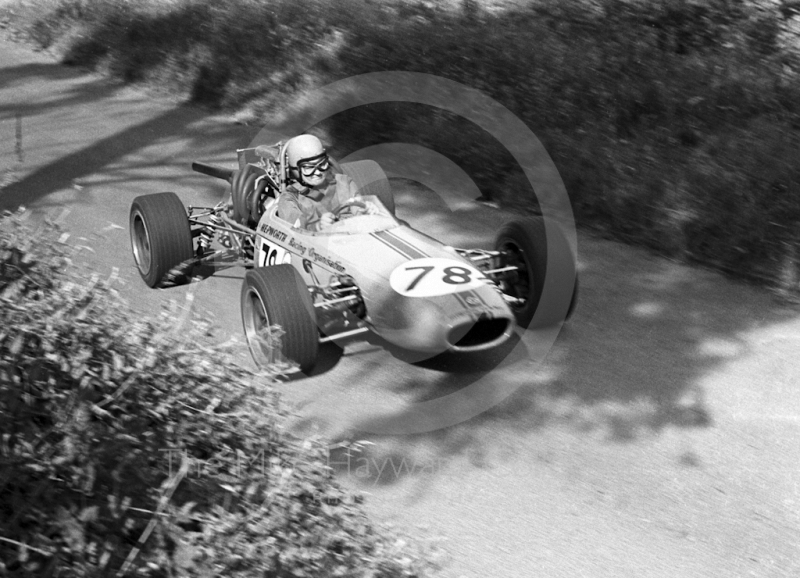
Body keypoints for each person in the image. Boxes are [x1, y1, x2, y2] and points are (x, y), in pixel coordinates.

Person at [276, 134, 377, 231]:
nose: (318, 172)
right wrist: (318, 227)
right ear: (295, 169)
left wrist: (364, 211)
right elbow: (293, 232)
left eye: (322, 164)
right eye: (309, 167)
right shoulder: (289, 198)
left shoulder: (344, 182)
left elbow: (357, 208)